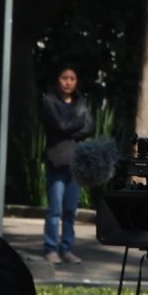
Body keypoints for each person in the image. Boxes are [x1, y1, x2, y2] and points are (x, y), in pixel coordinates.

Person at [36, 67, 94, 265]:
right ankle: (50, 248)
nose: (68, 82)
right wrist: (77, 124)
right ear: (58, 80)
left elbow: (90, 127)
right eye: (64, 78)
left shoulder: (81, 102)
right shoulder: (49, 101)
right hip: (57, 160)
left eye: (72, 78)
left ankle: (66, 248)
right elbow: (58, 126)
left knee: (71, 209)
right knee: (55, 208)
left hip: (76, 161)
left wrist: (71, 127)